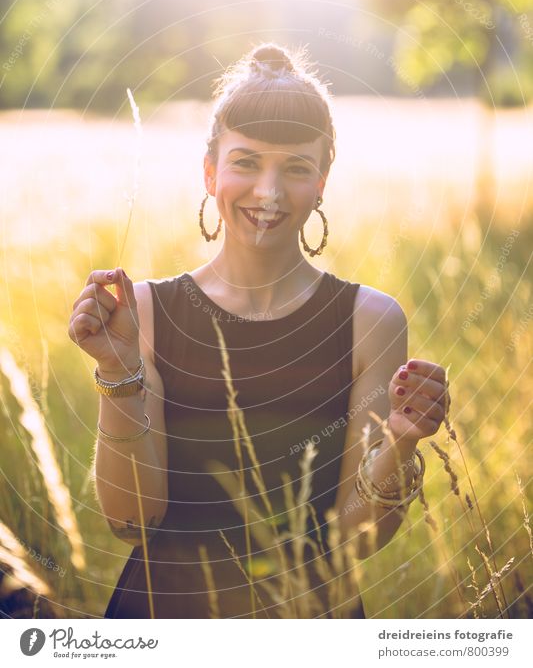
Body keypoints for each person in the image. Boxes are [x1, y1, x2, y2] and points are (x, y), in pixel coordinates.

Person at [68, 42, 448, 619]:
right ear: (210, 170)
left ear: (323, 179)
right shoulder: (144, 311)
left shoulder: (370, 321)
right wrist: (117, 371)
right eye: (246, 162)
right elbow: (131, 522)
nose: (269, 193)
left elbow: (357, 540)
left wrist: (399, 441)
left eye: (296, 168)